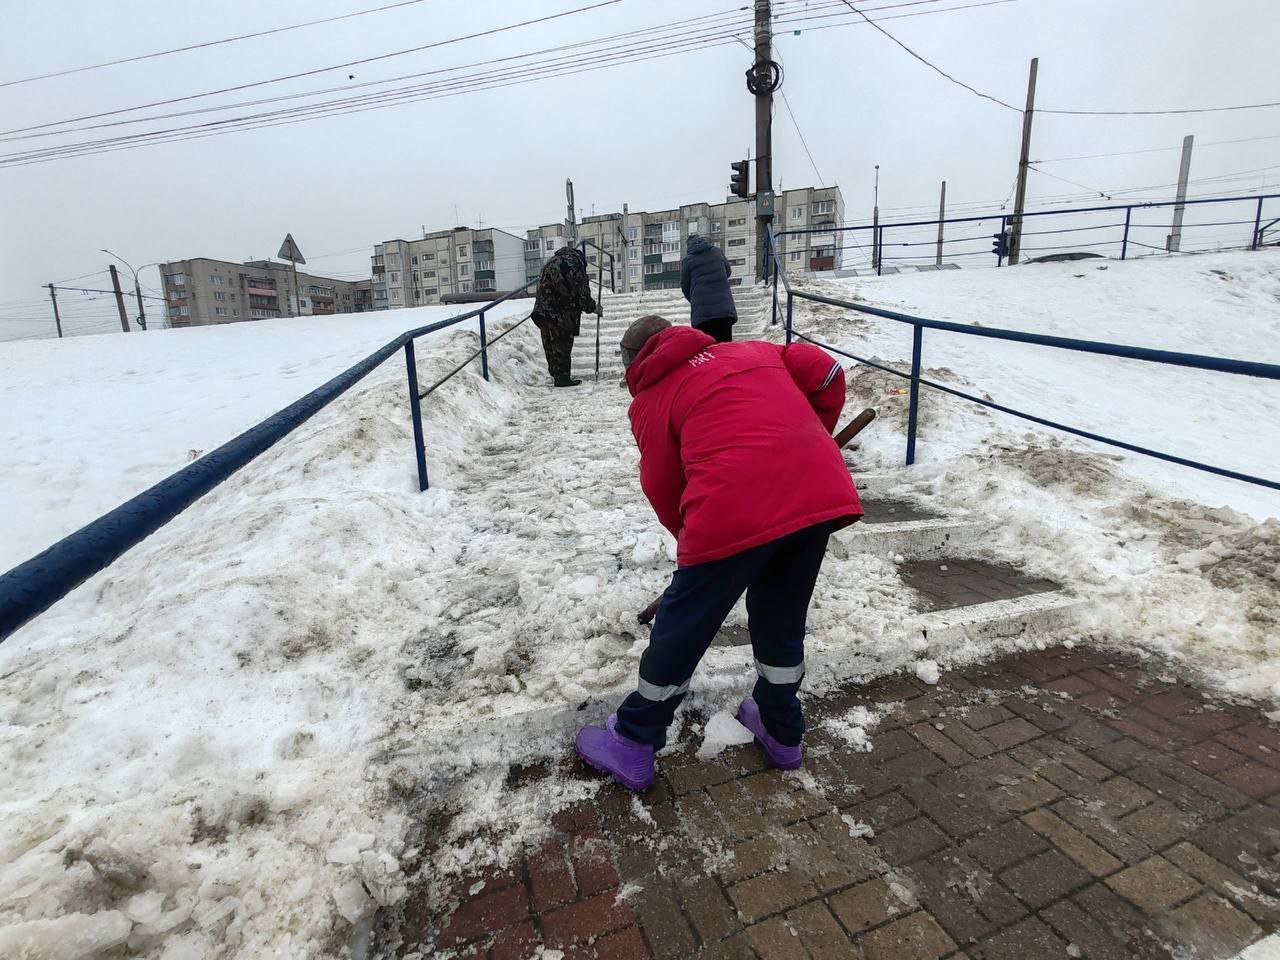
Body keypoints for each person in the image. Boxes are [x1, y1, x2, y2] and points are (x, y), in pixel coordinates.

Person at [576, 316, 863, 791]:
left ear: (634, 360)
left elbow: (661, 484)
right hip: (815, 496)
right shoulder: (753, 351)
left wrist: (698, 546)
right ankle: (781, 730)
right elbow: (825, 372)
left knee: (682, 625)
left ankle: (634, 739)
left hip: (732, 506)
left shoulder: (652, 398)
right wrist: (805, 441)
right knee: (781, 616)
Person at [531, 246, 599, 387]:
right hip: (560, 311)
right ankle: (562, 378)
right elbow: (581, 290)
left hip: (542, 310)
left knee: (550, 343)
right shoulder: (573, 263)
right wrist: (592, 307)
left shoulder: (551, 262)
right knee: (562, 343)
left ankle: (557, 374)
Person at [680, 234, 736, 343]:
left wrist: (695, 300)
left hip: (702, 315)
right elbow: (728, 272)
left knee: (708, 349)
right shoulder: (717, 252)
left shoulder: (687, 261)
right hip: (724, 310)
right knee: (725, 348)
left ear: (688, 246)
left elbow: (685, 287)